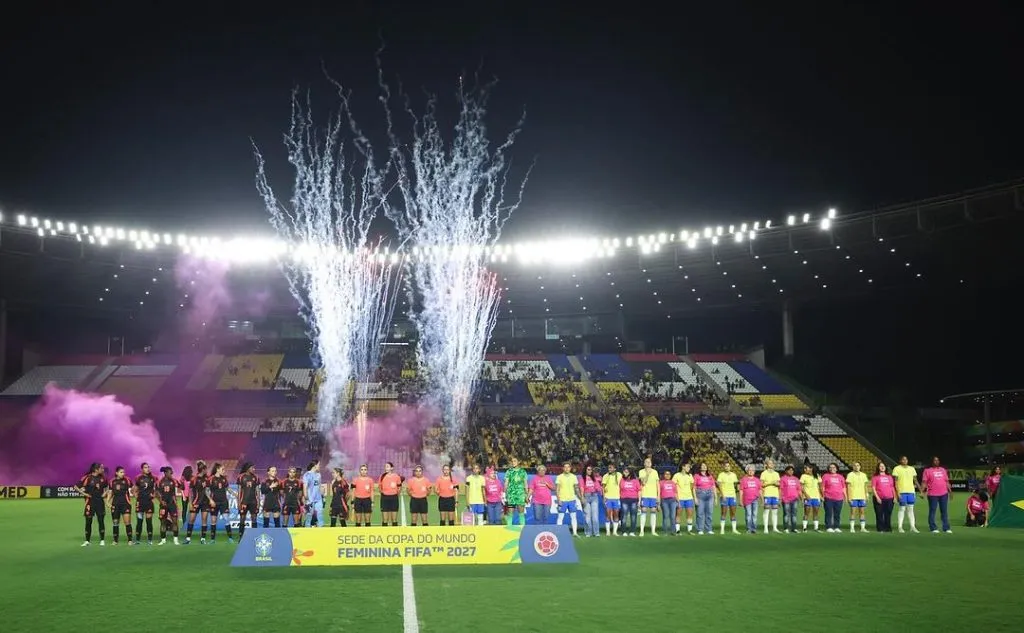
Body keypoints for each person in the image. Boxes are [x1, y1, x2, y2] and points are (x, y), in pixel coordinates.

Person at [76, 462, 109, 547]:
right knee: (88, 521)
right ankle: (87, 541)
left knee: (101, 521)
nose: (103, 469)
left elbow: (107, 487)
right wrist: (85, 494)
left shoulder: (103, 478)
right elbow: (76, 486)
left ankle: (102, 540)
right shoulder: (87, 477)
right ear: (96, 469)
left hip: (100, 502)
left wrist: (105, 493)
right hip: (90, 502)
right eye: (101, 468)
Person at [922, 456, 952, 534]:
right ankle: (933, 527)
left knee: (944, 511)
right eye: (935, 460)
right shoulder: (927, 471)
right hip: (932, 494)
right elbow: (924, 482)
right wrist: (922, 492)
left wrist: (950, 492)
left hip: (944, 493)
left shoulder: (943, 470)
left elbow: (947, 481)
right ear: (932, 462)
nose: (936, 461)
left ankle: (946, 528)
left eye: (937, 460)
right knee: (932, 511)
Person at [184, 460, 210, 544]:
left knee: (204, 520)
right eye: (206, 469)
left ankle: (203, 539)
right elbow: (191, 492)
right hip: (196, 502)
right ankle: (188, 539)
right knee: (191, 519)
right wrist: (190, 504)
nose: (207, 471)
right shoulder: (194, 479)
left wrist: (210, 500)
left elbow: (207, 490)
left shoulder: (207, 478)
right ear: (203, 469)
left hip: (205, 502)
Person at [892, 455, 920, 533]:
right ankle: (900, 527)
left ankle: (912, 526)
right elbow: (896, 482)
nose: (905, 460)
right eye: (903, 459)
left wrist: (921, 490)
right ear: (900, 461)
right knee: (902, 509)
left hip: (911, 491)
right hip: (902, 492)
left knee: (911, 509)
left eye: (906, 459)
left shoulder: (912, 469)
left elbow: (915, 480)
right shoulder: (897, 468)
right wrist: (898, 492)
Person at [208, 463, 233, 542]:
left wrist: (235, 494)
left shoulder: (224, 479)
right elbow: (206, 491)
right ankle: (212, 539)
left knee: (226, 519)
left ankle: (230, 538)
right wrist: (210, 500)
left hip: (223, 502)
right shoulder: (211, 479)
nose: (224, 471)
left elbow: (227, 488)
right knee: (213, 520)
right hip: (214, 502)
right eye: (222, 469)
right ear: (217, 469)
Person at [133, 462, 157, 545]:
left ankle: (150, 540)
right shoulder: (138, 478)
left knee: (149, 521)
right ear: (142, 469)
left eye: (148, 467)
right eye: (146, 467)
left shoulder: (153, 478)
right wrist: (137, 497)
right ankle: (137, 540)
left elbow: (157, 488)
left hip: (149, 502)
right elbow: (134, 489)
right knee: (139, 521)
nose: (148, 469)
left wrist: (154, 495)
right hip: (140, 503)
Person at [155, 466, 181, 545]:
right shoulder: (159, 482)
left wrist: (182, 483)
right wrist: (161, 501)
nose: (172, 474)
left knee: (175, 522)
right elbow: (156, 493)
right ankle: (163, 540)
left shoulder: (174, 481)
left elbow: (181, 486)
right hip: (163, 505)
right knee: (163, 522)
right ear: (165, 473)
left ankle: (175, 540)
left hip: (172, 504)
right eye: (170, 472)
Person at [109, 466, 134, 546]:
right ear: (116, 473)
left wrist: (134, 495)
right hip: (115, 504)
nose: (123, 474)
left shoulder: (127, 480)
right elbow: (110, 492)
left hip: (125, 504)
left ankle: (130, 540)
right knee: (115, 522)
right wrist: (107, 501)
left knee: (127, 522)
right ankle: (115, 541)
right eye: (121, 472)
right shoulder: (112, 481)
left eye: (123, 472)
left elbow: (133, 489)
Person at [555, 462, 581, 536]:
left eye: (568, 467)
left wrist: (580, 498)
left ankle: (575, 533)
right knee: (560, 517)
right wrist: (559, 499)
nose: (566, 468)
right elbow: (557, 489)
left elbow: (576, 488)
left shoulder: (574, 477)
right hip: (562, 500)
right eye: (565, 467)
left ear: (570, 468)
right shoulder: (559, 477)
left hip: (572, 500)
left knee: (573, 516)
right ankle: (558, 533)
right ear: (563, 468)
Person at [821, 463, 846, 533]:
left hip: (839, 498)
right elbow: (822, 487)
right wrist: (822, 496)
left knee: (837, 513)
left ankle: (836, 527)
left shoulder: (840, 477)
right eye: (830, 467)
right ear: (828, 469)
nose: (832, 469)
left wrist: (845, 497)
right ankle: (829, 526)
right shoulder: (825, 476)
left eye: (834, 467)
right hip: (828, 497)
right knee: (828, 513)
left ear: (837, 468)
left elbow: (843, 488)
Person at [237, 462, 260, 537]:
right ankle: (241, 536)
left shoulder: (256, 477)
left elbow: (258, 491)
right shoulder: (241, 477)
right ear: (248, 468)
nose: (254, 469)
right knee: (242, 518)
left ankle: (254, 536)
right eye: (252, 468)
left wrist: (259, 502)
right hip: (243, 502)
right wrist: (238, 503)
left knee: (254, 518)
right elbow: (239, 491)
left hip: (253, 501)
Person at [871, 462, 895, 533]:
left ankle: (888, 528)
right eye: (881, 466)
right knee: (879, 514)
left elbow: (892, 487)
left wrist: (895, 497)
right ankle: (880, 528)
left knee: (888, 514)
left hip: (889, 498)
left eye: (883, 466)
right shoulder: (875, 477)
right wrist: (877, 497)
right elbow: (873, 488)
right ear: (878, 468)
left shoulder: (889, 477)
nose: (882, 467)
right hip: (879, 498)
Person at [638, 457, 659, 536]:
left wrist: (658, 496)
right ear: (644, 464)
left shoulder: (655, 472)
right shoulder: (641, 472)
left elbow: (657, 485)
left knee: (653, 511)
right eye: (646, 462)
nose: (648, 463)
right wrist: (647, 473)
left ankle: (653, 531)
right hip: (645, 495)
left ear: (651, 463)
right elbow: (643, 483)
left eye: (649, 462)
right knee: (643, 511)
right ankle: (641, 531)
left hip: (653, 495)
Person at [694, 463, 717, 535]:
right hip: (700, 495)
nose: (704, 467)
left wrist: (715, 497)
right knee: (700, 513)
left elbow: (713, 486)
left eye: (705, 466)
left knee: (709, 513)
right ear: (700, 467)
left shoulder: (710, 476)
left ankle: (709, 529)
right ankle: (700, 529)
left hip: (710, 495)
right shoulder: (696, 476)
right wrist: (695, 498)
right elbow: (694, 487)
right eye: (702, 466)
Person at [846, 462, 869, 533]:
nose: (856, 467)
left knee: (862, 512)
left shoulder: (863, 475)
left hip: (862, 496)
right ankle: (852, 528)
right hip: (853, 496)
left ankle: (863, 528)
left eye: (858, 465)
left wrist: (866, 495)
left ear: (860, 467)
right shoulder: (850, 475)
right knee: (853, 512)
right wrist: (849, 497)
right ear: (853, 467)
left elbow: (865, 486)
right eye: (855, 466)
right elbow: (848, 487)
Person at [672, 462, 695, 534]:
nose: (689, 468)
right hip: (680, 498)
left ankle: (690, 530)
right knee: (678, 514)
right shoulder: (676, 475)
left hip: (689, 498)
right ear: (683, 467)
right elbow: (673, 486)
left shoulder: (690, 476)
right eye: (688, 466)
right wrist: (676, 497)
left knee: (690, 514)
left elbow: (692, 486)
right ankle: (678, 530)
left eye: (689, 467)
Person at [504, 457, 528, 525]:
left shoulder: (523, 472)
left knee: (521, 513)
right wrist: (504, 493)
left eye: (514, 461)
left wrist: (526, 494)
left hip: (520, 495)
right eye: (512, 461)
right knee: (510, 513)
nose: (513, 462)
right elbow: (506, 483)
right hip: (511, 495)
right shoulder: (509, 471)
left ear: (518, 462)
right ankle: (509, 527)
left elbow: (525, 484)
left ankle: (522, 529)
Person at [579, 465, 602, 537]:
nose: (590, 471)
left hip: (594, 496)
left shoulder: (594, 478)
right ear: (585, 470)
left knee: (595, 516)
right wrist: (582, 497)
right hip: (586, 496)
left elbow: (598, 488)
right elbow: (581, 488)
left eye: (591, 470)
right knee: (587, 516)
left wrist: (600, 488)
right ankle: (588, 532)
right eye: (588, 469)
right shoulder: (582, 478)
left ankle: (596, 532)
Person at [716, 462, 739, 534]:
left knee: (733, 513)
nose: (727, 467)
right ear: (724, 467)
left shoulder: (734, 475)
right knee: (724, 513)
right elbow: (719, 485)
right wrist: (722, 495)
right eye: (725, 466)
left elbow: (736, 484)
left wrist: (736, 492)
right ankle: (722, 529)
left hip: (732, 496)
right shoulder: (721, 475)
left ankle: (734, 529)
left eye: (728, 466)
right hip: (725, 496)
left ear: (730, 467)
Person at [379, 462, 403, 527]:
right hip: (384, 499)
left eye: (387, 466)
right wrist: (384, 493)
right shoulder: (382, 476)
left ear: (392, 468)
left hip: (394, 498)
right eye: (385, 466)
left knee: (394, 519)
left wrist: (395, 494)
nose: (386, 468)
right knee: (385, 520)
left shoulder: (396, 476)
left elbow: (400, 487)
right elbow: (380, 487)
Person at [760, 459, 781, 534]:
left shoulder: (776, 474)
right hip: (767, 494)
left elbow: (779, 485)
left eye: (772, 463)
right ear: (766, 465)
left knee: (775, 512)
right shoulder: (763, 473)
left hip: (775, 495)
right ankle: (766, 528)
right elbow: (761, 485)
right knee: (766, 511)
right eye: (770, 463)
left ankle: (775, 528)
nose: (771, 464)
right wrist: (771, 483)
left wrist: (777, 484)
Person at [739, 465, 762, 534]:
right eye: (749, 470)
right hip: (747, 500)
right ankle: (748, 529)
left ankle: (754, 529)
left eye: (752, 470)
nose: (751, 471)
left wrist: (762, 500)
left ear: (754, 472)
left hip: (755, 499)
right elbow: (741, 491)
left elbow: (760, 490)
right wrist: (740, 500)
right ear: (747, 471)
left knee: (754, 515)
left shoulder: (757, 480)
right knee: (748, 515)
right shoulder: (743, 480)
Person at [601, 463, 622, 535]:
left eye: (611, 468)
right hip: (608, 498)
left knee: (616, 514)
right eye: (609, 468)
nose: (609, 469)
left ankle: (615, 532)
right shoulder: (605, 476)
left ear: (615, 469)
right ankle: (608, 531)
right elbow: (603, 487)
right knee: (608, 515)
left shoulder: (619, 475)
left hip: (616, 498)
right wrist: (604, 497)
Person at [618, 467, 640, 536]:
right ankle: (623, 531)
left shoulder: (635, 480)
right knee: (624, 516)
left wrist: (639, 501)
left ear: (630, 473)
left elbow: (639, 490)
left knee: (633, 516)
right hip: (624, 500)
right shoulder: (622, 480)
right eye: (624, 472)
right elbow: (619, 489)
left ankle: (632, 531)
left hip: (634, 500)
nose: (624, 473)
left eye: (626, 472)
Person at [800, 465, 822, 532]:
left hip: (816, 497)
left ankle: (816, 528)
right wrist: (806, 495)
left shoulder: (817, 476)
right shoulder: (803, 476)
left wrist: (821, 496)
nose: (805, 469)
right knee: (807, 512)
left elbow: (820, 487)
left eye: (806, 468)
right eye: (804, 468)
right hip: (808, 497)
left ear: (811, 469)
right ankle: (804, 528)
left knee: (816, 513)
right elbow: (801, 487)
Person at [302, 460, 324, 528]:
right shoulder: (307, 475)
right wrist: (306, 498)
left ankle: (321, 529)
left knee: (320, 514)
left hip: (318, 499)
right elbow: (305, 487)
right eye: (319, 465)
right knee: (309, 515)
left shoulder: (318, 475)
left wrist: (323, 496)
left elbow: (319, 485)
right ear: (315, 465)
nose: (319, 466)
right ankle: (307, 529)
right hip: (310, 499)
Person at [779, 465, 801, 533]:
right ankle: (786, 528)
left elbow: (799, 489)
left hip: (794, 499)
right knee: (786, 514)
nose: (791, 471)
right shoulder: (783, 479)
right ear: (786, 471)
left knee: (794, 514)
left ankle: (794, 528)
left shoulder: (796, 479)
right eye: (789, 470)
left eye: (792, 470)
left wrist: (801, 498)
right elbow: (781, 489)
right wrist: (780, 498)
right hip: (786, 499)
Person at [658, 470, 678, 535]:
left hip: (673, 501)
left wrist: (678, 501)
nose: (667, 475)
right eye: (666, 474)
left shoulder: (673, 483)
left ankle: (673, 531)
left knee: (672, 516)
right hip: (664, 501)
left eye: (669, 474)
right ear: (664, 475)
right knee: (665, 516)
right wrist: (658, 503)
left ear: (670, 475)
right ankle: (665, 531)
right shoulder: (661, 482)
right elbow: (659, 493)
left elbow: (675, 493)